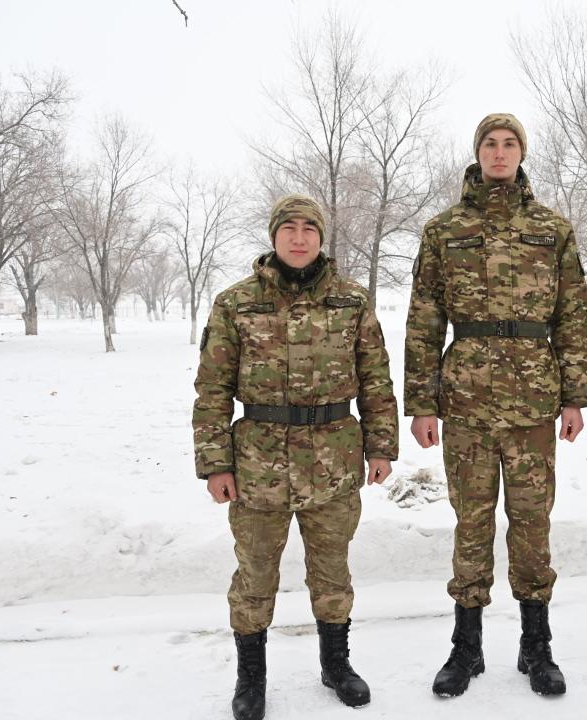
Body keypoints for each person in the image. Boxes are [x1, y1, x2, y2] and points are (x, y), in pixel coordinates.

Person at [404, 113, 587, 697]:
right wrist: (422, 402)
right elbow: (424, 319)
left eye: (510, 144)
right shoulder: (444, 229)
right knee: (472, 523)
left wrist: (575, 397)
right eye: (491, 143)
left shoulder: (552, 229)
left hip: (534, 401)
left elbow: (572, 317)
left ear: (522, 153)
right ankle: (467, 648)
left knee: (532, 523)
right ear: (477, 152)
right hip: (466, 400)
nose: (500, 152)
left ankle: (537, 647)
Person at [193, 195, 398, 718]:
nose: (300, 237)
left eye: (310, 228)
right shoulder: (236, 303)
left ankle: (336, 664)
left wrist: (381, 446)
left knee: (332, 572)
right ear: (274, 235)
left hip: (334, 462)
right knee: (255, 574)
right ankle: (251, 678)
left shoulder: (352, 300)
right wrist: (215, 463)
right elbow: (212, 388)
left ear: (322, 237)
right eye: (290, 228)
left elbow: (376, 380)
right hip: (258, 466)